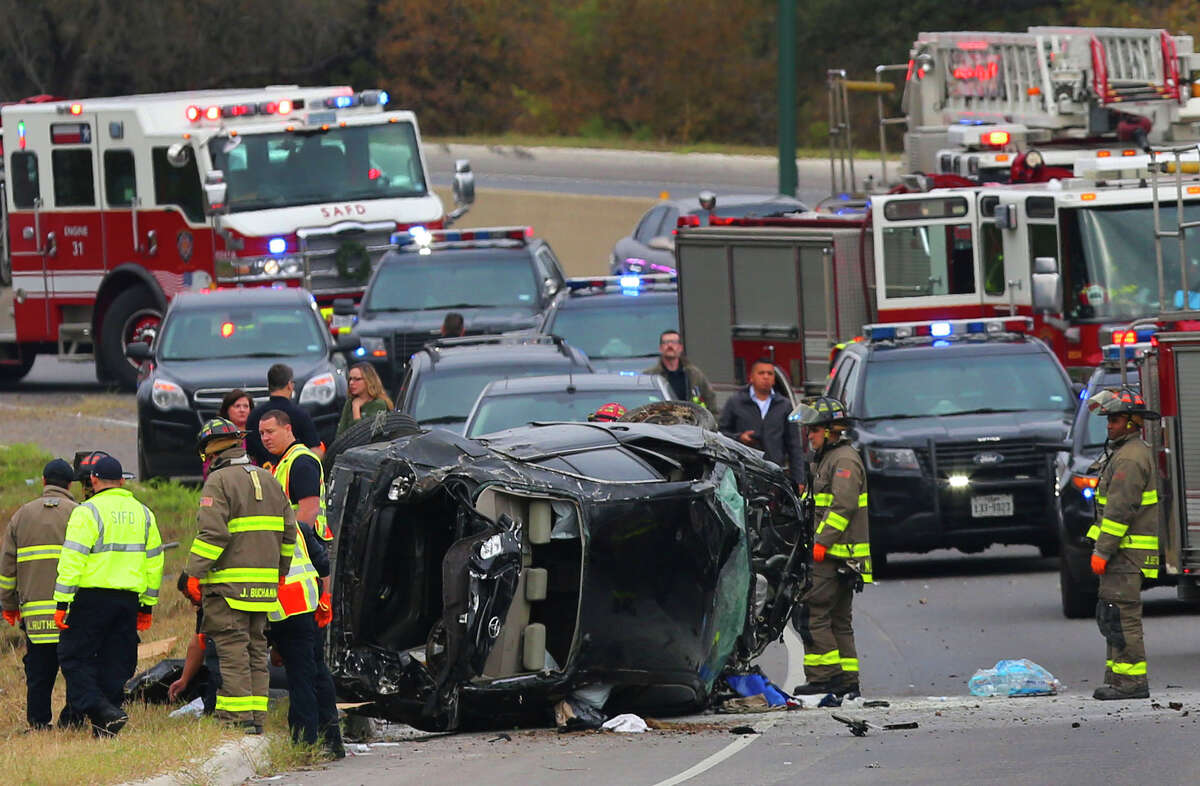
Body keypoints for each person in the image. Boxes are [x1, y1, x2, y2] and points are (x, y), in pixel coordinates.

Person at [184, 417, 297, 733]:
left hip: (228, 589)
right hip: (263, 589)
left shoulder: (218, 482)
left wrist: (191, 574)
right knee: (255, 651)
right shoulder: (268, 478)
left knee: (232, 651)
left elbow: (212, 535)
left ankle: (238, 720)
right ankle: (256, 719)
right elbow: (290, 533)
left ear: (212, 450)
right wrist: (279, 575)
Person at [54, 455, 164, 736]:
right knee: (116, 661)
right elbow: (155, 562)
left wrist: (62, 601)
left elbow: (72, 559)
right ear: (123, 481)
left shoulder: (87, 511)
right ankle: (107, 728)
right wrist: (147, 605)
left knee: (73, 657)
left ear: (93, 479)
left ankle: (99, 709)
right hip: (127, 600)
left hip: (91, 599)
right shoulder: (144, 513)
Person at [790, 396, 871, 699]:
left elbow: (842, 506)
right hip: (840, 555)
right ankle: (847, 680)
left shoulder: (843, 460)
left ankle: (824, 677)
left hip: (836, 554)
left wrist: (821, 544)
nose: (808, 435)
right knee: (838, 619)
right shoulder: (827, 458)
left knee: (813, 613)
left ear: (829, 430)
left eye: (812, 430)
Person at [1085, 387, 1160, 701]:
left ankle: (1131, 684)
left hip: (1126, 556)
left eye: (1115, 419)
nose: (1109, 424)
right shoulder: (1123, 452)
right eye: (1109, 419)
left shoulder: (1129, 458)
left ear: (1132, 422)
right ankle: (1117, 679)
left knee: (1123, 616)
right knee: (1112, 614)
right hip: (1122, 554)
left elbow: (1118, 511)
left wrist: (1102, 550)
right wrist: (1096, 544)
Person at [0, 459, 83, 730]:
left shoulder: (21, 515)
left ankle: (38, 722)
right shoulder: (79, 513)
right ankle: (72, 720)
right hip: (70, 612)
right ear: (70, 485)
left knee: (38, 671)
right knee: (74, 668)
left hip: (34, 615)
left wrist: (8, 604)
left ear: (44, 481)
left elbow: (7, 566)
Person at [266, 505, 344, 757]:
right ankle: (332, 742)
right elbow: (323, 565)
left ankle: (305, 744)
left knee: (301, 679)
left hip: (282, 612)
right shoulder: (298, 528)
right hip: (307, 608)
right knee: (317, 673)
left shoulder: (258, 532)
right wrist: (325, 600)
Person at [718, 358, 806, 489]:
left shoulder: (784, 405)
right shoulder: (736, 402)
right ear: (751, 377)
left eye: (770, 374)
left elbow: (794, 445)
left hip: (774, 474)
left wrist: (799, 479)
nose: (766, 377)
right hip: (743, 474)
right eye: (761, 373)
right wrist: (739, 438)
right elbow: (720, 435)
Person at [261, 409, 333, 543]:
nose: (265, 438)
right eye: (262, 433)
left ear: (288, 429)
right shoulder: (285, 460)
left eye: (270, 432)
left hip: (305, 546)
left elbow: (310, 509)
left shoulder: (301, 461)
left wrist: (292, 543)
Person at [245, 364, 324, 466]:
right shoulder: (300, 414)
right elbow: (315, 450)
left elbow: (251, 455)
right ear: (290, 385)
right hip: (293, 474)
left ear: (269, 386)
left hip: (263, 476)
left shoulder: (254, 415)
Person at [643, 329, 716, 410]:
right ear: (660, 348)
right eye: (666, 342)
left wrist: (711, 420)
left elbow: (710, 398)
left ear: (680, 348)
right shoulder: (650, 376)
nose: (670, 346)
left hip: (690, 421)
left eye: (674, 342)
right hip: (660, 420)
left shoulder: (694, 375)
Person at [204, 389, 255, 478]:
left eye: (246, 406)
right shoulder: (217, 436)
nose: (242, 410)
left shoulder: (257, 434)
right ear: (227, 410)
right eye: (237, 406)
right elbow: (208, 467)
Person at [336, 363, 394, 436]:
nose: (351, 383)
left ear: (369, 380)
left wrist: (356, 410)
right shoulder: (350, 402)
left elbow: (364, 436)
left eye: (357, 379)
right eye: (350, 379)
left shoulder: (379, 404)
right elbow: (340, 434)